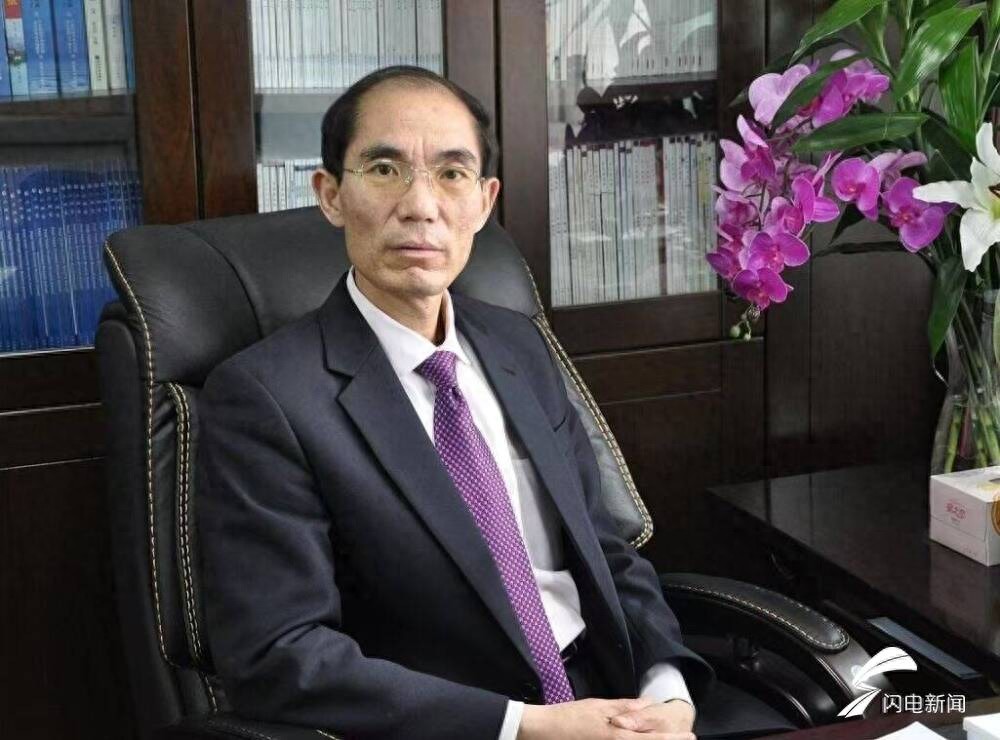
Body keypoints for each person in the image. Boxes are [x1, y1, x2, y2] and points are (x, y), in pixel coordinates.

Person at [197, 65, 715, 740]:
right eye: (384, 169)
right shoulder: (266, 398)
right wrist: (528, 727)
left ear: (483, 201)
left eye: (452, 173)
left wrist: (666, 693)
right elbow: (280, 654)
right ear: (330, 195)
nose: (421, 206)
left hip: (609, 705)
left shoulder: (517, 345)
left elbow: (607, 550)